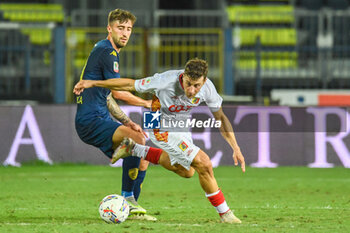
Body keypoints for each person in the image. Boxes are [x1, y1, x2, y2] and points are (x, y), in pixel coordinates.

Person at [74, 58, 246, 223]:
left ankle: (135, 149)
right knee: (204, 163)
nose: (192, 90)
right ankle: (226, 214)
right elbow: (129, 84)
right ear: (183, 76)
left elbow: (221, 118)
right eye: (188, 84)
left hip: (180, 124)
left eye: (197, 86)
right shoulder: (165, 80)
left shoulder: (208, 88)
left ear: (204, 80)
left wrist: (236, 147)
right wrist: (93, 83)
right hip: (158, 123)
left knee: (187, 172)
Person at [74, 8, 156, 221]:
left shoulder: (104, 51)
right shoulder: (108, 52)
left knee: (142, 154)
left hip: (97, 118)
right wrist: (146, 102)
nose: (125, 33)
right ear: (109, 29)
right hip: (91, 120)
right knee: (137, 140)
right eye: (121, 28)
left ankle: (131, 210)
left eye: (129, 29)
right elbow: (119, 92)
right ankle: (127, 198)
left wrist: (128, 121)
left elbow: (109, 97)